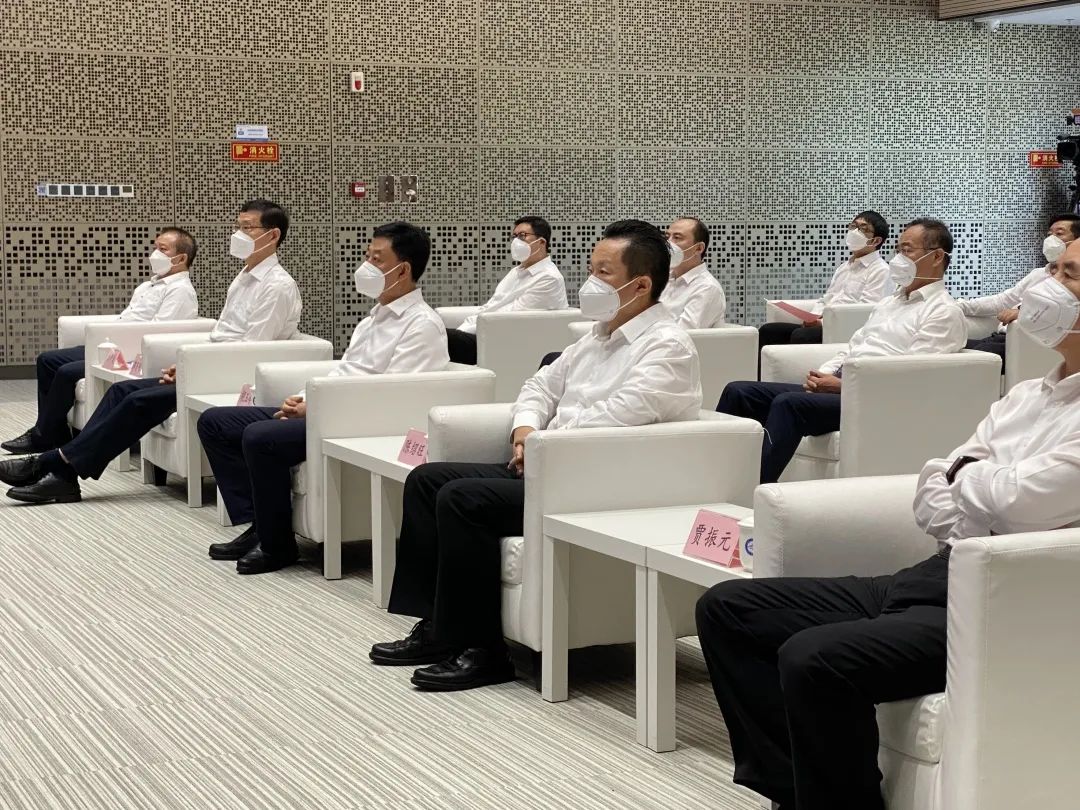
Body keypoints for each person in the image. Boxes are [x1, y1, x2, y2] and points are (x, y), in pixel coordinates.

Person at [695, 236, 1080, 810]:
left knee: (813, 657)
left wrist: (967, 479)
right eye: (1055, 269)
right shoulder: (1027, 395)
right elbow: (934, 499)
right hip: (934, 573)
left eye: (1070, 275)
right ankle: (797, 794)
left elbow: (1016, 501)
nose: (1048, 284)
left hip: (1002, 601)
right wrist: (975, 484)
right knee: (728, 609)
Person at [369, 220, 702, 691]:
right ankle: (439, 629)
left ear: (642, 284)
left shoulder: (667, 346)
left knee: (463, 500)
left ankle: (484, 651)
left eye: (603, 273)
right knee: (427, 479)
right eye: (591, 269)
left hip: (593, 480)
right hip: (549, 462)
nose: (590, 282)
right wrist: (525, 430)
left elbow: (620, 417)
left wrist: (543, 443)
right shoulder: (598, 334)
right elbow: (539, 386)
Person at [0, 199, 302, 505]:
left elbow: (252, 349)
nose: (238, 234)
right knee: (121, 391)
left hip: (230, 377)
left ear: (273, 235)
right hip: (211, 367)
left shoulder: (277, 286)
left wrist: (194, 368)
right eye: (238, 226)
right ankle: (63, 472)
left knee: (138, 401)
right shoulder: (243, 278)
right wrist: (185, 362)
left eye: (248, 228)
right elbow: (222, 336)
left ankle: (53, 465)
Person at [197, 222, 449, 575]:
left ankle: (276, 547)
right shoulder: (373, 319)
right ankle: (260, 524)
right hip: (329, 409)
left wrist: (317, 407)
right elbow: (343, 372)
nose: (365, 265)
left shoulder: (421, 324)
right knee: (216, 422)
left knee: (260, 437)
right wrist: (303, 397)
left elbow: (391, 395)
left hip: (357, 422)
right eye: (367, 256)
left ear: (403, 270)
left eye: (376, 259)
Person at [718, 218, 966, 484]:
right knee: (740, 392)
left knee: (788, 404)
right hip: (844, 386)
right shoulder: (890, 303)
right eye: (898, 250)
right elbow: (854, 346)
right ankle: (715, 479)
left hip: (873, 400)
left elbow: (912, 378)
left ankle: (746, 491)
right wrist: (823, 374)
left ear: (937, 256)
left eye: (907, 250)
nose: (898, 258)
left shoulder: (943, 312)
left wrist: (843, 386)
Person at [2, 229, 200, 455]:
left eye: (162, 249)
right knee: (48, 360)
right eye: (155, 247)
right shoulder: (149, 285)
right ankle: (54, 433)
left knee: (67, 372)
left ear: (181, 258)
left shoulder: (180, 290)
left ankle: (43, 437)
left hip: (131, 352)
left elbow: (161, 332)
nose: (155, 254)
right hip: (114, 344)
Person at [960, 212, 1080, 365]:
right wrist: (959, 305)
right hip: (1001, 336)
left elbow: (1066, 312)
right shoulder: (1039, 273)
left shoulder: (1075, 281)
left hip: (1026, 344)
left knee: (966, 361)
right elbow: (1004, 300)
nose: (1051, 239)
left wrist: (1024, 314)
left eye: (1059, 234)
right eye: (1049, 234)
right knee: (953, 346)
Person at [759, 211, 891, 350]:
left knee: (802, 336)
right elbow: (827, 299)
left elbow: (866, 311)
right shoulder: (844, 267)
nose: (854, 232)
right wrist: (813, 317)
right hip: (824, 324)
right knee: (769, 331)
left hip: (846, 330)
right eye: (853, 226)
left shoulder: (881, 270)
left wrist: (822, 323)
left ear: (876, 241)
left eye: (863, 229)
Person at [446, 216, 566, 365]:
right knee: (435, 334)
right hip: (483, 333)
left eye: (522, 236)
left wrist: (465, 332)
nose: (516, 242)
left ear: (541, 242)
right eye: (514, 236)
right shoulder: (516, 272)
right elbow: (491, 306)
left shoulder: (549, 278)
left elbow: (510, 317)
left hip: (500, 342)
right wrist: (463, 329)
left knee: (438, 337)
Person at [662, 217, 726, 328]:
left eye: (677, 238)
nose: (668, 243)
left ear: (698, 248)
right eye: (667, 237)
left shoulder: (707, 288)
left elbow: (682, 334)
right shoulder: (662, 278)